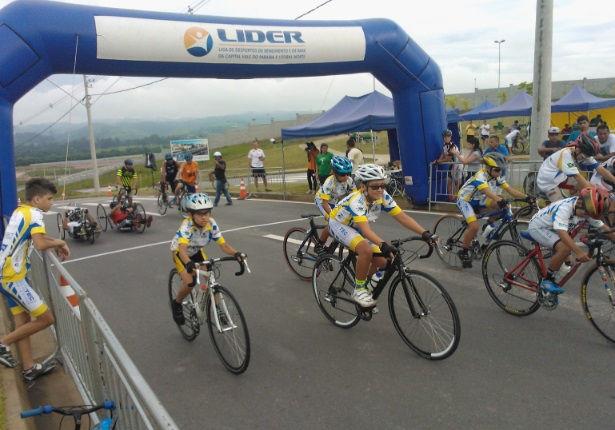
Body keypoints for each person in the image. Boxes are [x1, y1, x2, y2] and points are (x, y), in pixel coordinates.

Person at [328, 164, 434, 307]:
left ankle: (366, 286)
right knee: (365, 249)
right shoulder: (357, 200)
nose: (380, 190)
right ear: (363, 186)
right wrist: (383, 244)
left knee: (384, 262)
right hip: (339, 224)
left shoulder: (383, 196)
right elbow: (366, 231)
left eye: (382, 186)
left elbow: (402, 217)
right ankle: (359, 290)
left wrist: (425, 233)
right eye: (375, 186)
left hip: (355, 226)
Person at [0, 178, 70, 382]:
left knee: (23, 320)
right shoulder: (36, 215)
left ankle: (29, 367)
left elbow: (34, 238)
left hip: (6, 274)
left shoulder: (21, 211)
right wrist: (60, 241)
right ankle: (3, 343)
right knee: (47, 319)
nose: (52, 203)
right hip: (13, 277)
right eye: (49, 199)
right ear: (37, 199)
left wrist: (57, 243)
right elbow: (40, 243)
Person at [169, 193, 245, 325]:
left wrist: (236, 254)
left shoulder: (211, 223)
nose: (204, 217)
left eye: (207, 213)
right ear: (191, 214)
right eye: (200, 214)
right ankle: (177, 303)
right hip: (181, 253)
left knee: (211, 278)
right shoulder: (187, 226)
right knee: (190, 282)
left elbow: (223, 245)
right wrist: (188, 263)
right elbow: (182, 250)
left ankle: (218, 309)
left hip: (197, 251)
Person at [527, 187, 614, 295]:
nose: (588, 216)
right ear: (581, 203)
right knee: (565, 248)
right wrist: (578, 251)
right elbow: (562, 233)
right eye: (588, 213)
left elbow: (605, 229)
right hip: (538, 228)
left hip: (552, 229)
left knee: (569, 260)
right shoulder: (565, 208)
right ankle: (547, 281)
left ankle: (553, 280)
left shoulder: (587, 209)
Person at [455, 154, 528, 268]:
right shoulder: (480, 176)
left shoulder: (495, 176)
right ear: (488, 168)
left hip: (479, 199)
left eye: (501, 170)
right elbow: (488, 192)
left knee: (501, 206)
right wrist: (500, 199)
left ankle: (490, 225)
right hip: (465, 200)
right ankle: (463, 252)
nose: (499, 173)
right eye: (497, 170)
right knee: (474, 227)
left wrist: (527, 197)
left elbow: (511, 190)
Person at [536, 135, 599, 202]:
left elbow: (600, 170)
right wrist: (594, 193)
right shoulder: (566, 154)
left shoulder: (574, 151)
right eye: (584, 156)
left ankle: (572, 194)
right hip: (548, 183)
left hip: (558, 177)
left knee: (589, 185)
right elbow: (577, 176)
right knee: (560, 206)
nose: (584, 159)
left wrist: (597, 190)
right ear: (578, 149)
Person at [314, 156, 355, 247]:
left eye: (348, 173)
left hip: (333, 201)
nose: (346, 176)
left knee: (341, 222)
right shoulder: (329, 182)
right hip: (322, 201)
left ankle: (328, 247)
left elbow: (354, 197)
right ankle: (320, 246)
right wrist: (334, 217)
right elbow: (325, 203)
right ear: (335, 173)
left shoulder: (349, 180)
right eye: (342, 174)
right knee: (332, 222)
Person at [435, 129, 458, 199]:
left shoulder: (452, 146)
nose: (446, 138)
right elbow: (442, 154)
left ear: (450, 137)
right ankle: (451, 197)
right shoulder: (445, 146)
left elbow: (447, 158)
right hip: (452, 165)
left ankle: (458, 197)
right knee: (449, 182)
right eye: (445, 137)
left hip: (457, 165)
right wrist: (437, 161)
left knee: (457, 182)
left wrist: (438, 161)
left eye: (448, 136)